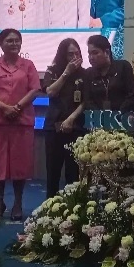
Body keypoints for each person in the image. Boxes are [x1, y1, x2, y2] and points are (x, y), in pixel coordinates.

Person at [0, 29, 41, 221]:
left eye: (17, 41)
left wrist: (17, 107)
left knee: (19, 164)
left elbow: (35, 89)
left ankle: (18, 203)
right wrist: (4, 108)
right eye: (9, 41)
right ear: (1, 44)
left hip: (21, 121)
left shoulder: (28, 65)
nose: (14, 44)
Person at [42, 38, 85, 199]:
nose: (74, 57)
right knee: (53, 171)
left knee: (73, 172)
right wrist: (66, 73)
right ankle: (50, 206)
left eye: (77, 53)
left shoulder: (85, 73)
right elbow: (51, 92)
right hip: (54, 126)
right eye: (70, 54)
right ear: (62, 55)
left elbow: (86, 101)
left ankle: (72, 206)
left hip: (77, 127)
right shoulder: (52, 71)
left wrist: (71, 119)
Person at [83, 35, 134, 112]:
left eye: (95, 53)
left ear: (107, 52)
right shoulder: (89, 73)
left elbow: (132, 95)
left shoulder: (123, 67)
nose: (91, 57)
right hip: (98, 117)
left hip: (124, 115)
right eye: (89, 54)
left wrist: (117, 114)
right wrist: (101, 115)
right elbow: (88, 101)